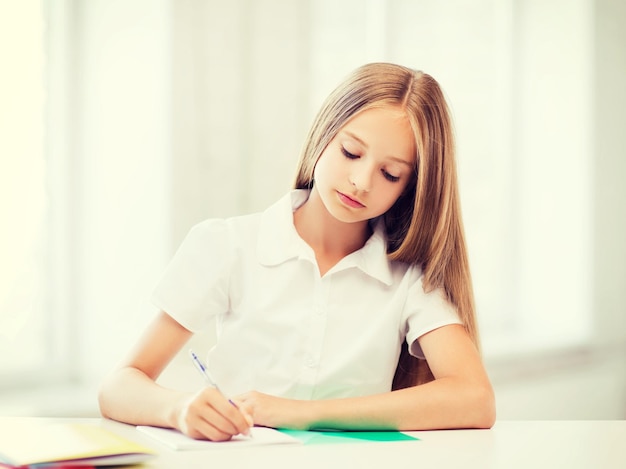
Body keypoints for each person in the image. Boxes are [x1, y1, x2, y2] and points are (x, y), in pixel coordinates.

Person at [98, 62, 495, 441]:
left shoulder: (410, 277)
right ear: (324, 134)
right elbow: (119, 386)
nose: (360, 182)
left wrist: (296, 413)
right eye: (351, 153)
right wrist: (180, 409)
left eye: (389, 174)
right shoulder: (228, 245)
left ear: (410, 188)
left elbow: (475, 399)